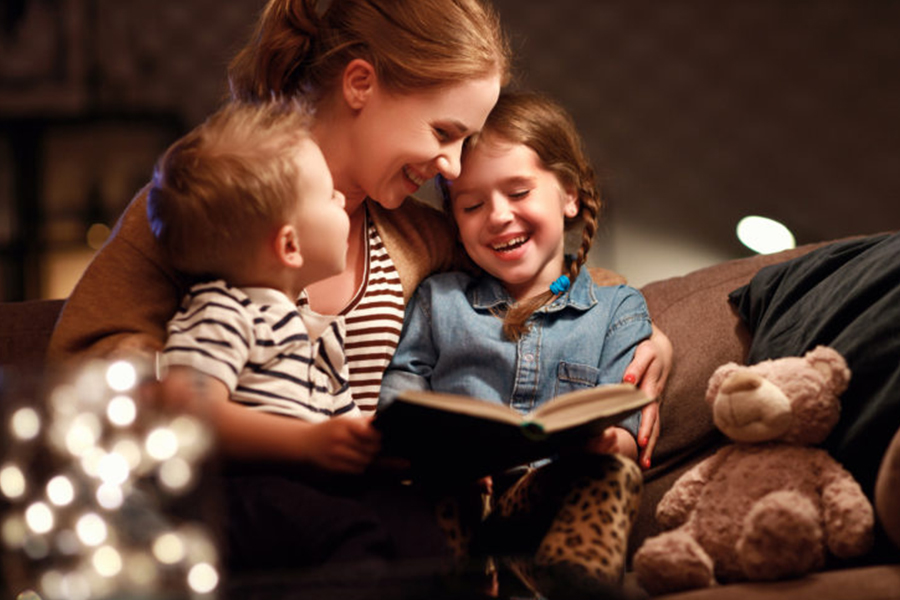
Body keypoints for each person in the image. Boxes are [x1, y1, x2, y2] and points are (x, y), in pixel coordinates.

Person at [46, 0, 670, 583]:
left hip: (375, 511)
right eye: (444, 131)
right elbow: (85, 355)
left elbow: (538, 272)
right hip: (247, 510)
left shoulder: (417, 232)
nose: (452, 168)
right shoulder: (220, 194)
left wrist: (645, 328)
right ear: (361, 85)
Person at [379, 91, 651, 588]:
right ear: (455, 222)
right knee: (435, 487)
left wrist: (606, 440)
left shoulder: (619, 308)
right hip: (461, 493)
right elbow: (401, 386)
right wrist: (425, 446)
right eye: (472, 205)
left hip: (547, 499)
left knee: (614, 475)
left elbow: (629, 424)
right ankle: (457, 578)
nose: (499, 216)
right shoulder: (439, 299)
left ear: (569, 194)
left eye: (519, 192)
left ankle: (574, 584)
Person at [148, 99, 388, 476]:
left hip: (319, 497)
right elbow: (186, 407)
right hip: (255, 492)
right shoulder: (224, 311)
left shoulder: (319, 338)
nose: (343, 200)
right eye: (329, 195)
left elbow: (351, 438)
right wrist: (307, 443)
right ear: (289, 246)